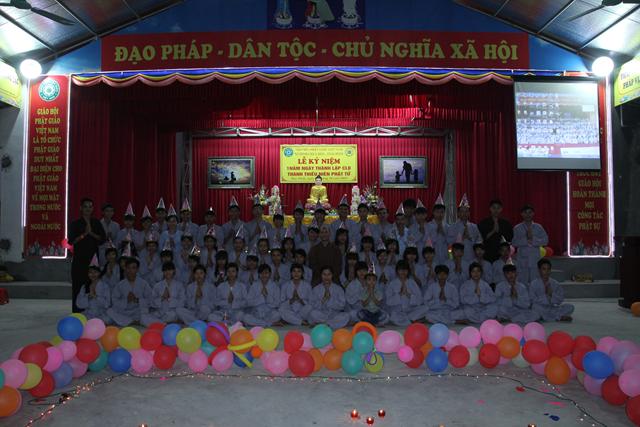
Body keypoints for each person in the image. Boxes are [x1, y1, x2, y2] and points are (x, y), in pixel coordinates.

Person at [69, 198, 106, 312]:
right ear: (81, 208)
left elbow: (102, 239)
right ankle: (77, 312)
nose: (88, 209)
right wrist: (84, 234)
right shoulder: (75, 223)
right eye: (85, 206)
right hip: (79, 260)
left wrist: (91, 233)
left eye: (90, 206)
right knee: (78, 285)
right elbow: (71, 241)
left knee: (92, 286)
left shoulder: (96, 222)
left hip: (93, 260)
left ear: (93, 209)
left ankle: (92, 312)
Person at [107, 258, 153, 327]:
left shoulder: (144, 283)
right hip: (125, 311)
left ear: (137, 269)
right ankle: (133, 321)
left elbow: (151, 299)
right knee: (110, 311)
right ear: (125, 269)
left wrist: (137, 300)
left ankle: (130, 321)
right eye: (128, 268)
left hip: (138, 310)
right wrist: (127, 300)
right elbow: (114, 301)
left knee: (146, 315)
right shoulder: (120, 284)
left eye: (133, 268)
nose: (130, 270)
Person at [512, 205, 549, 284]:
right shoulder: (517, 228)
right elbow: (514, 242)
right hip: (522, 260)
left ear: (533, 213)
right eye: (525, 213)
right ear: (522, 214)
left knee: (535, 282)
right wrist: (526, 240)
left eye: (530, 212)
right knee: (522, 282)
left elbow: (545, 241)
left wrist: (533, 239)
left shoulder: (538, 227)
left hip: (535, 259)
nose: (528, 215)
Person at [385, 260, 426, 326]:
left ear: (408, 271)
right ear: (397, 271)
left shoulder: (412, 282)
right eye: (401, 270)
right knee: (392, 316)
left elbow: (420, 299)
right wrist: (399, 294)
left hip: (411, 310)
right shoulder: (392, 283)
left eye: (405, 270)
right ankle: (411, 320)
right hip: (398, 311)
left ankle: (408, 320)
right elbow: (388, 301)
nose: (403, 272)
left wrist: (409, 295)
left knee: (426, 308)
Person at [75, 255, 112, 324]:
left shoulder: (105, 286)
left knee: (107, 319)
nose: (93, 274)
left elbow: (107, 304)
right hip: (88, 313)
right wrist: (88, 297)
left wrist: (95, 296)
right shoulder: (84, 287)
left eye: (95, 272)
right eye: (90, 272)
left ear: (99, 273)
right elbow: (79, 304)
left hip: (101, 314)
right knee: (76, 319)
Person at [447, 194, 482, 262]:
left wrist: (470, 238)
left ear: (469, 213)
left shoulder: (474, 227)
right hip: (457, 259)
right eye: (462, 211)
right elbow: (449, 245)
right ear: (458, 213)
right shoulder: (452, 227)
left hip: (472, 258)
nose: (464, 214)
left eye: (466, 211)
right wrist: (462, 238)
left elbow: (479, 243)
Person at [426, 196, 449, 265]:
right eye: (437, 212)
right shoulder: (428, 226)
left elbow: (451, 243)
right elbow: (427, 242)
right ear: (433, 212)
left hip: (445, 256)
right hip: (432, 257)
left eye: (442, 212)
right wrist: (436, 232)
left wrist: (443, 233)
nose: (440, 214)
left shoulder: (448, 227)